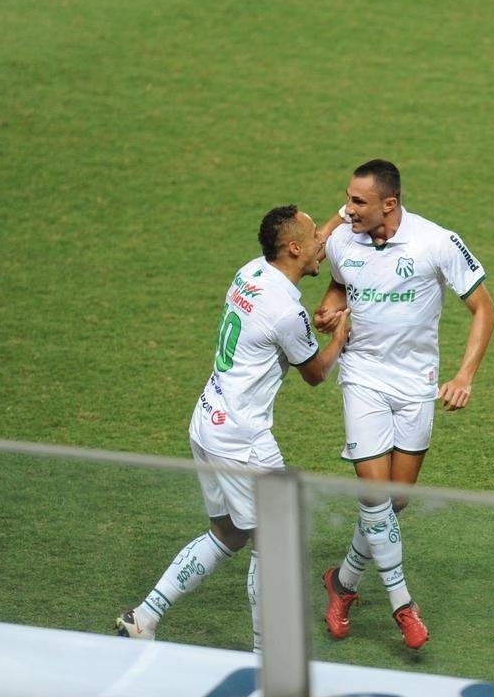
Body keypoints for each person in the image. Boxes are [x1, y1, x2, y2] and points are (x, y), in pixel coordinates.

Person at [115, 205, 349, 651]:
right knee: (274, 541)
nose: (323, 240)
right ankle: (266, 656)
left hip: (207, 420)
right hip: (243, 439)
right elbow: (316, 373)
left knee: (227, 534)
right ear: (294, 248)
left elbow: (305, 251)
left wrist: (340, 214)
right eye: (314, 235)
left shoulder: (251, 272)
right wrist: (340, 336)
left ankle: (143, 616)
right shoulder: (286, 311)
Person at [313, 159, 494, 649]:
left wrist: (465, 376)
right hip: (363, 379)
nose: (347, 209)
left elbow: (485, 310)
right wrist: (331, 309)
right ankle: (403, 604)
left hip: (418, 385)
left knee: (393, 502)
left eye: (357, 201)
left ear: (389, 205)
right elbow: (338, 280)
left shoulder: (435, 242)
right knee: (376, 497)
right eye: (347, 199)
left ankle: (342, 584)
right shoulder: (343, 240)